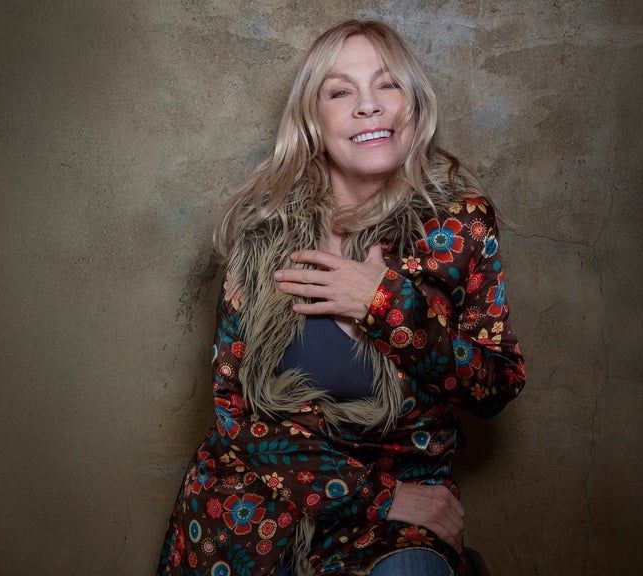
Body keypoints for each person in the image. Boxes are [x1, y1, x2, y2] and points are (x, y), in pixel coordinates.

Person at [157, 19, 526, 576]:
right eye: (340, 92)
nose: (368, 105)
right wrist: (377, 495)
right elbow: (234, 412)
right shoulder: (265, 233)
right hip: (253, 509)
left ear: (414, 103)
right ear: (314, 119)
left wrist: (386, 306)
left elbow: (497, 384)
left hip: (398, 518)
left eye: (387, 84)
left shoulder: (459, 228)